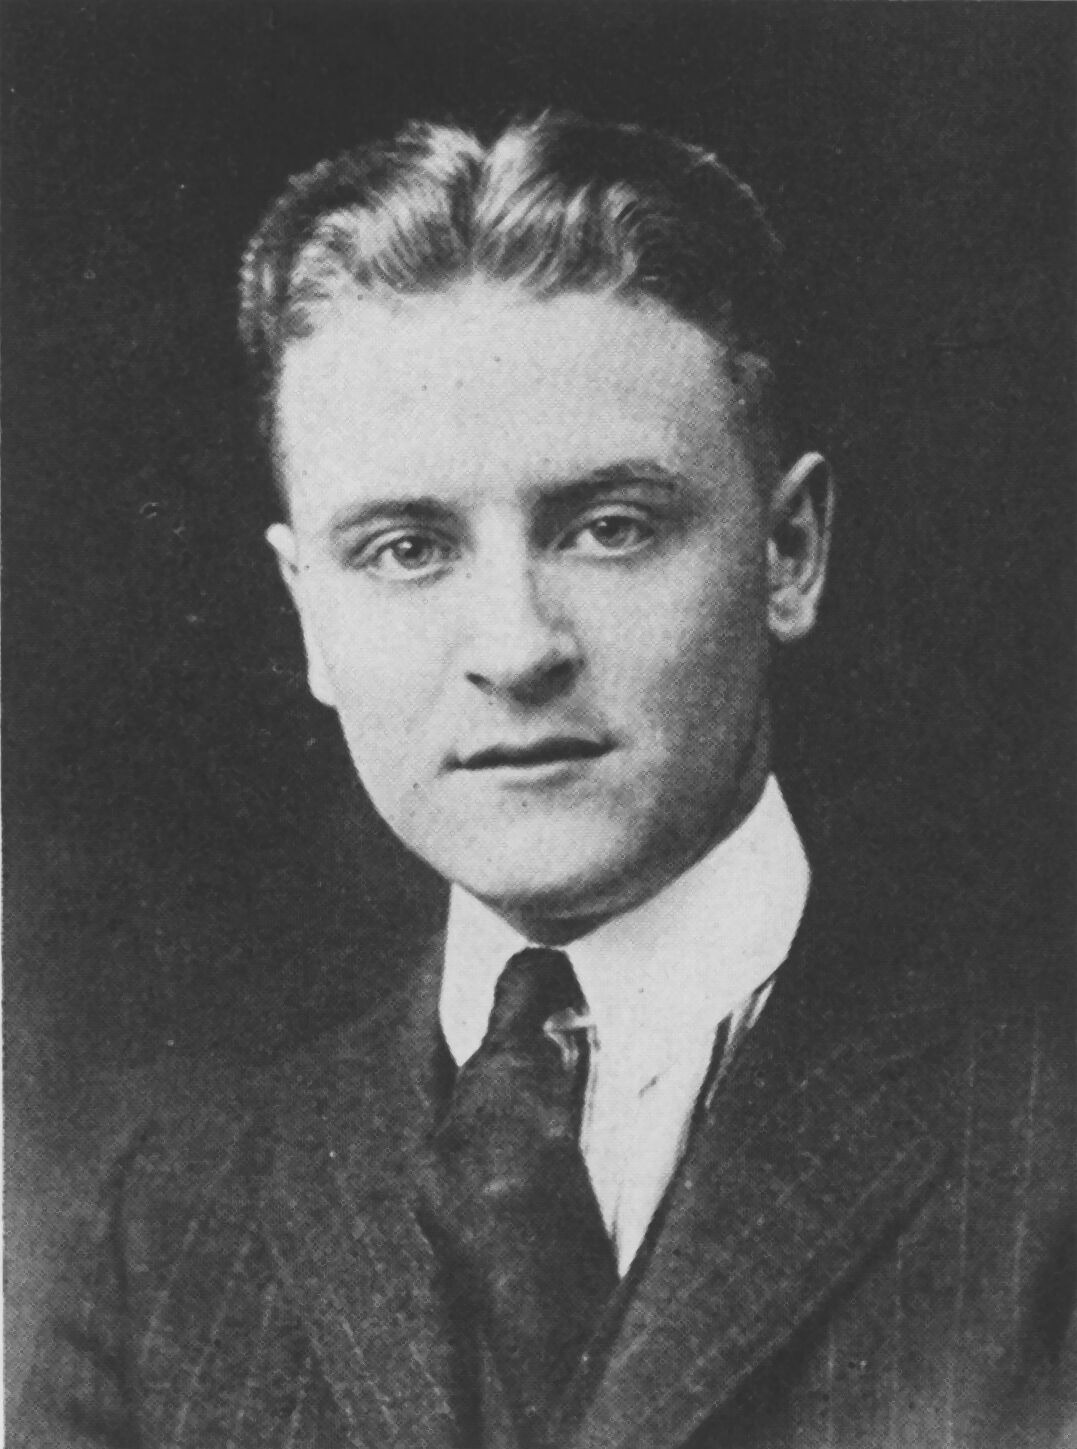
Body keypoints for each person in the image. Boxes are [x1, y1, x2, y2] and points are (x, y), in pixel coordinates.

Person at [14, 112, 1074, 1449]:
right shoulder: (167, 1233)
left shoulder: (1039, 1140)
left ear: (789, 552)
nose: (515, 648)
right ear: (308, 613)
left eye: (610, 528)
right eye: (406, 548)